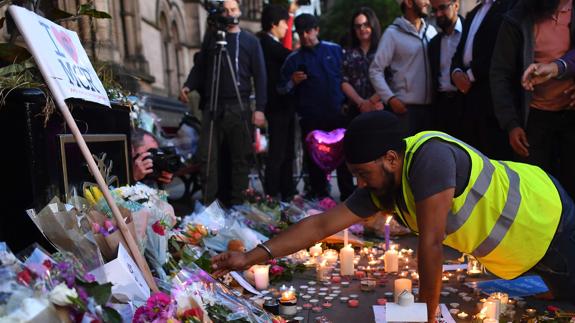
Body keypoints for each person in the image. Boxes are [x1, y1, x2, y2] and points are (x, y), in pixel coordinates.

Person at [212, 110, 575, 322]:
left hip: (546, 222)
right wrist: (249, 257)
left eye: (362, 173)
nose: (359, 182)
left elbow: (430, 245)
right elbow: (320, 225)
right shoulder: (383, 184)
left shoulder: (430, 159)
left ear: (390, 158)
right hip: (522, 251)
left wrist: (427, 317)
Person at [182, 0, 267, 205]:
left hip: (240, 106)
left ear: (239, 11)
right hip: (212, 106)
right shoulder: (212, 39)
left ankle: (238, 205)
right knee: (207, 157)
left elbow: (261, 76)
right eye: (225, 11)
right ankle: (209, 205)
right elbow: (201, 67)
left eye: (233, 10)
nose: (229, 14)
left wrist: (260, 109)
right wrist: (187, 86)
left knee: (240, 158)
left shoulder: (250, 40)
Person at [491, 0, 575, 199]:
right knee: (535, 194)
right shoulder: (518, 17)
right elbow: (499, 74)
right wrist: (511, 124)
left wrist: (556, 68)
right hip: (533, 122)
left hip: (571, 117)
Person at [278, 14, 355, 200]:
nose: (305, 36)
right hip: (311, 119)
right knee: (314, 163)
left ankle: (348, 198)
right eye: (301, 32)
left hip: (338, 115)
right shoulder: (293, 59)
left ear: (316, 30)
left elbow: (349, 77)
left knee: (344, 159)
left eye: (308, 31)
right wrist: (292, 82)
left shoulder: (335, 50)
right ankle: (321, 199)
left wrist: (348, 103)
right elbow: (280, 89)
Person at [450, 0, 516, 160]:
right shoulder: (473, 13)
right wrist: (456, 72)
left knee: (494, 160)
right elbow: (459, 52)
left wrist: (471, 76)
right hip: (467, 102)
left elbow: (499, 52)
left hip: (491, 100)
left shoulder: (510, 6)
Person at [369, 0, 437, 135]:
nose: (428, 2)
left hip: (432, 111)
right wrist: (390, 99)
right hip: (405, 112)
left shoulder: (432, 31)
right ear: (409, 3)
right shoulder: (392, 34)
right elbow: (375, 70)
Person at [259, 4, 295, 201]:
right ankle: (274, 194)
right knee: (278, 154)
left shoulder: (271, 45)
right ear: (274, 24)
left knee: (286, 152)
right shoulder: (267, 45)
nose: (286, 27)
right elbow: (287, 57)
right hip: (277, 105)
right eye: (284, 23)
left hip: (284, 106)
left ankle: (285, 191)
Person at [428, 0, 464, 136]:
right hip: (441, 107)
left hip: (466, 104)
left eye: (442, 8)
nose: (438, 14)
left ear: (456, 5)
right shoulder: (434, 43)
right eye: (434, 10)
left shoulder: (471, 33)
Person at [341, 7, 383, 119]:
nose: (362, 28)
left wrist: (371, 102)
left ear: (373, 25)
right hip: (356, 110)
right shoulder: (348, 53)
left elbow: (390, 79)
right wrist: (361, 102)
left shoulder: (383, 50)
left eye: (366, 24)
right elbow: (344, 81)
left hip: (381, 107)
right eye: (358, 26)